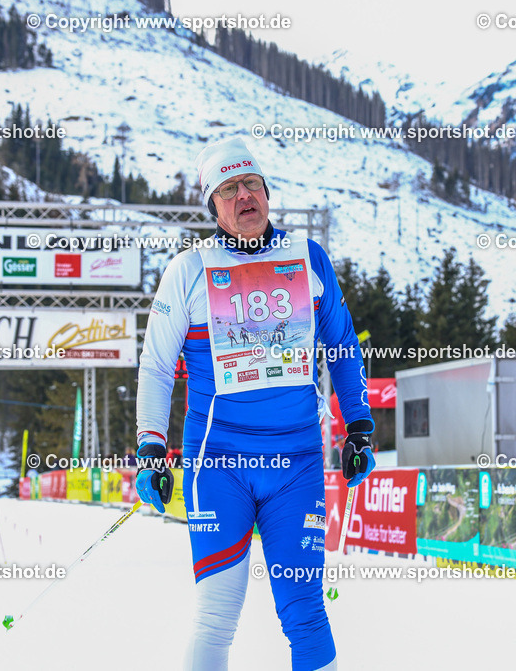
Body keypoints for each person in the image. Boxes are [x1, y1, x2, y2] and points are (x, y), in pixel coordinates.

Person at [135, 137, 374, 671]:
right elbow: (154, 366)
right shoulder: (189, 270)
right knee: (218, 615)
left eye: (250, 184)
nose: (243, 196)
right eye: (227, 190)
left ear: (267, 192)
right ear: (213, 206)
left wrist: (358, 427)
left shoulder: (309, 259)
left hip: (298, 465)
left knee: (306, 613)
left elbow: (342, 345)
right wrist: (150, 446)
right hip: (219, 463)